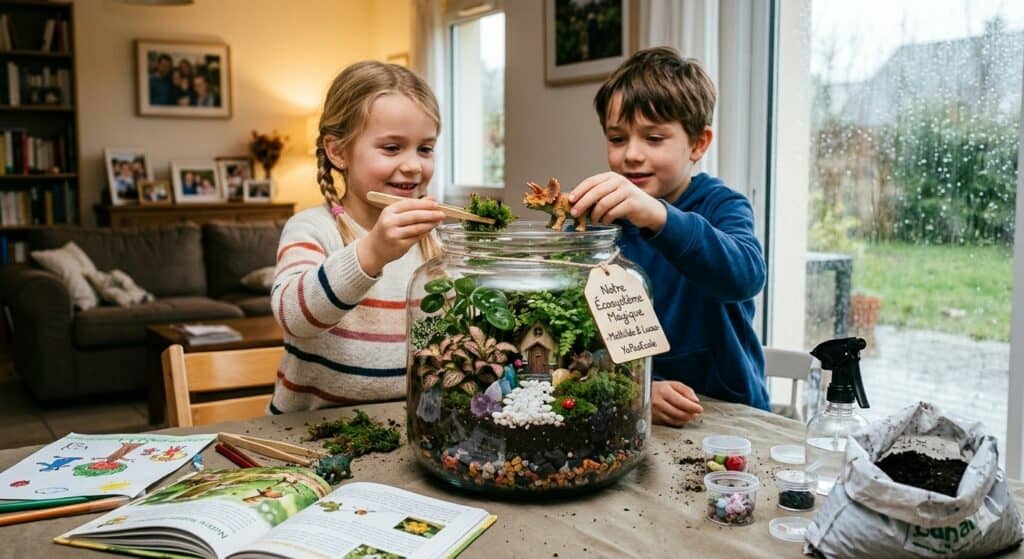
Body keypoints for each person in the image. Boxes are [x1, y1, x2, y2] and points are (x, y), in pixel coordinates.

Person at [568, 46, 769, 426]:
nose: (631, 155)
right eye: (617, 139)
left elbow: (746, 275)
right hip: (633, 410)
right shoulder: (596, 224)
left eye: (654, 138)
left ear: (698, 143)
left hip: (728, 415)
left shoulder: (722, 205)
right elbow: (580, 332)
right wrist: (640, 385)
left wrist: (658, 216)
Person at [269, 61, 445, 414]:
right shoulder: (312, 228)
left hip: (407, 432)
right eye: (392, 148)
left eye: (424, 149)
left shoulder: (438, 239)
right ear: (337, 151)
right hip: (309, 436)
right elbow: (293, 315)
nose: (413, 165)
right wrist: (371, 253)